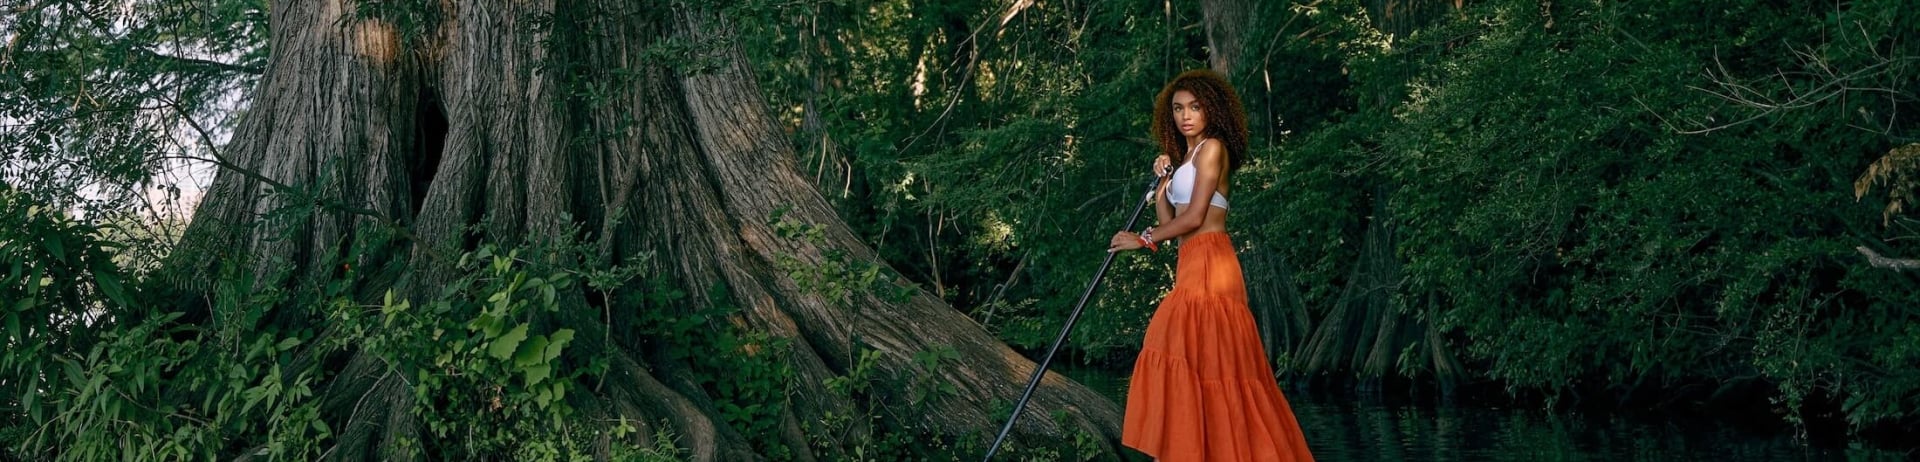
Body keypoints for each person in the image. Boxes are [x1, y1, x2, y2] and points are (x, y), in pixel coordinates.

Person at [1107, 69, 1314, 461]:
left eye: (1195, 107)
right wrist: (1163, 188)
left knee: (1207, 360)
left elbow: (1197, 216)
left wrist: (1143, 238)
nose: (1186, 115)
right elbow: (1174, 224)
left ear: (1211, 110)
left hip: (1211, 266)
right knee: (1196, 362)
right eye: (1178, 108)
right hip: (1191, 261)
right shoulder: (1187, 158)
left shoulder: (1214, 148)